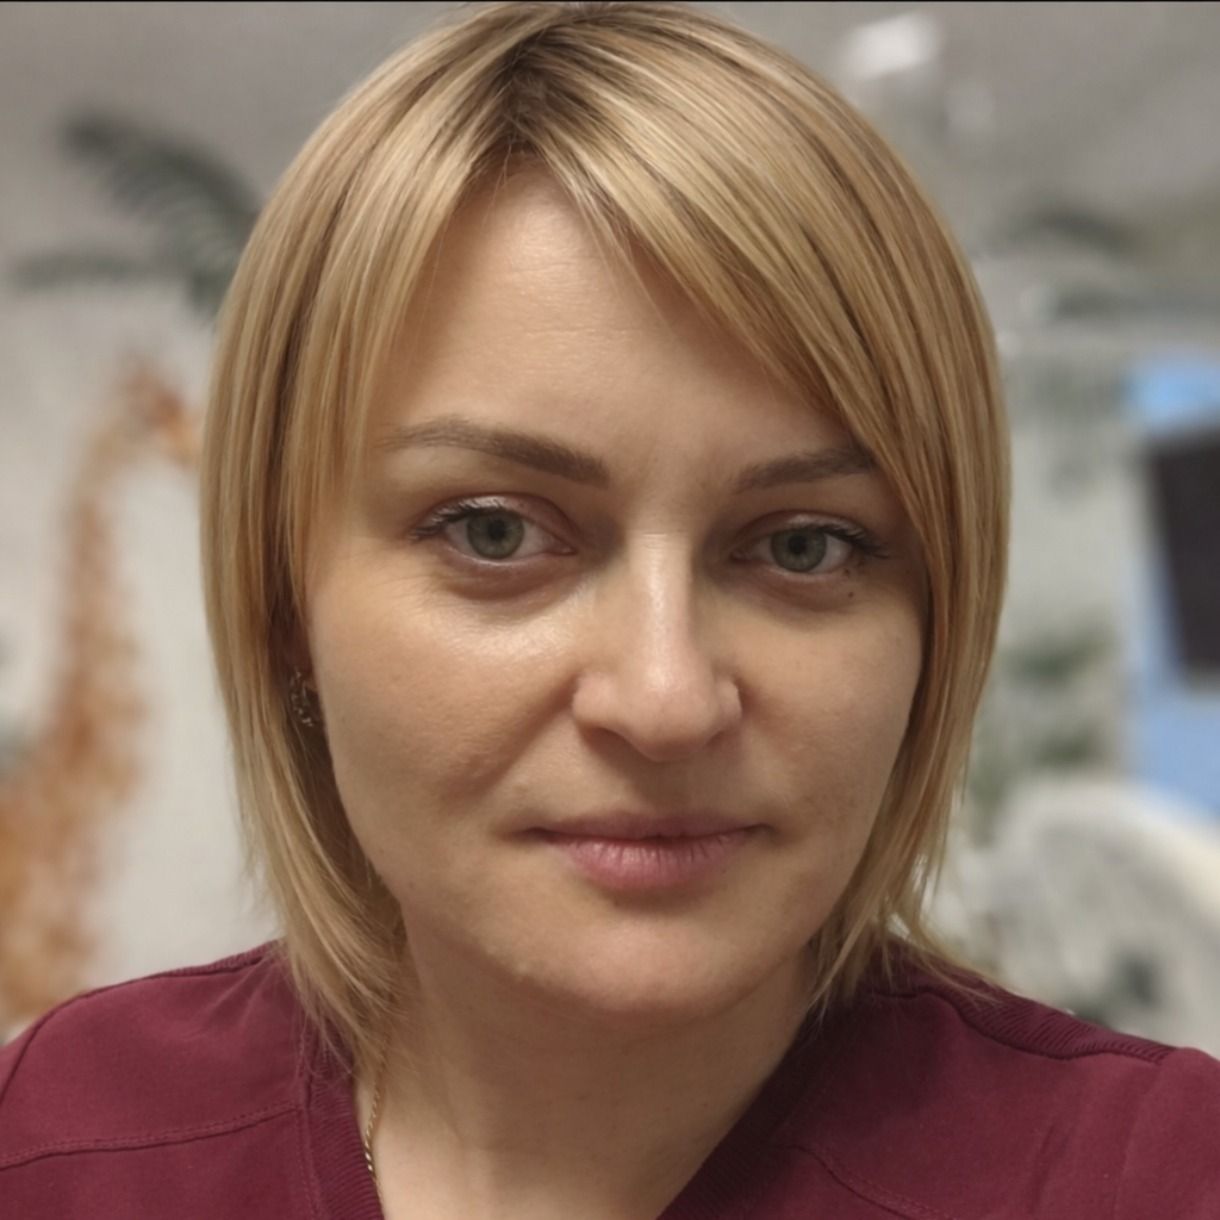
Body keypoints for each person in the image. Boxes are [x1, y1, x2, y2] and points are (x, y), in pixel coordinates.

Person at [2, 2, 1218, 1216]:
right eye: (493, 531)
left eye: (801, 545)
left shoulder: (1146, 1174)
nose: (664, 697)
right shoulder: (62, 1147)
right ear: (284, 601)